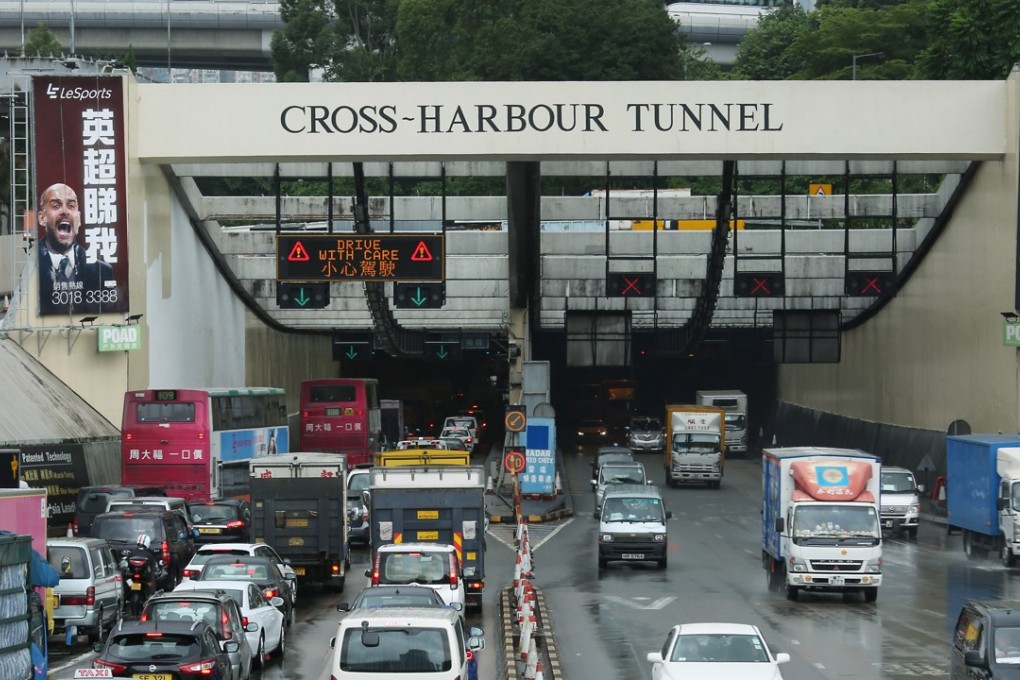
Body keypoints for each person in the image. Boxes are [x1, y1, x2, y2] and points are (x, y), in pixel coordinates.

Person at [37, 183, 115, 315]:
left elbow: (110, 314)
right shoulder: (32, 266)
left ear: (78, 219)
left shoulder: (102, 271)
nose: (65, 211)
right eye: (56, 206)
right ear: (41, 218)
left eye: (71, 206)